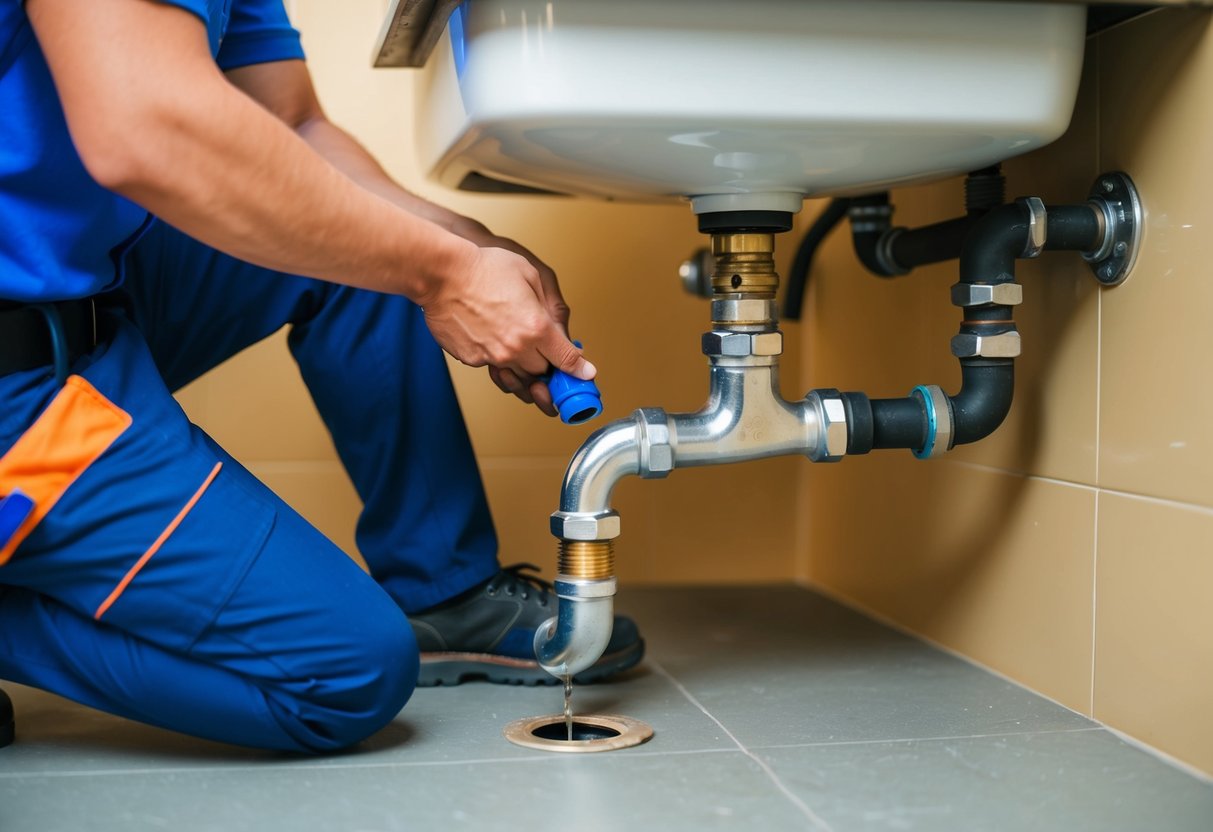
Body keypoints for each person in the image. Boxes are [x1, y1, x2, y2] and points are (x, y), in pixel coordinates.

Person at [0, 0, 643, 754]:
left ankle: (445, 590)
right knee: (347, 675)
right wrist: (445, 277)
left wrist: (466, 250)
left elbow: (294, 127)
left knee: (368, 250)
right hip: (20, 375)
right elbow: (143, 131)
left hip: (74, 301)